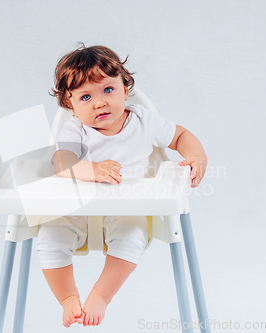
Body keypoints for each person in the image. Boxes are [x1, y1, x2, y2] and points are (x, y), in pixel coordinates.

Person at [35, 44, 208, 328]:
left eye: (108, 90)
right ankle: (68, 298)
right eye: (86, 96)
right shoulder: (75, 129)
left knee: (132, 237)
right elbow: (62, 163)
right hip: (77, 209)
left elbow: (181, 136)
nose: (99, 102)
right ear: (71, 105)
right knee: (48, 238)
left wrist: (196, 156)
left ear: (125, 90)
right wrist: (93, 169)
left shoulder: (142, 120)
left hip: (127, 209)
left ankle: (102, 295)